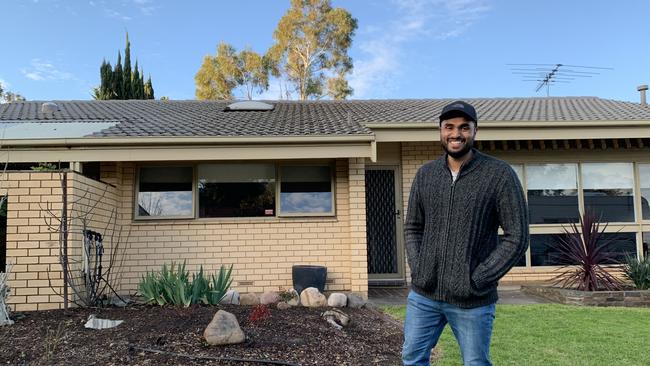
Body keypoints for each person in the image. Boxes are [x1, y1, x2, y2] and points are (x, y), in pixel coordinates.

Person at [402, 100, 529, 366]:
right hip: (424, 295)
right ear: (440, 130)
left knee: (475, 363)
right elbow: (413, 226)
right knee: (412, 359)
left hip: (473, 300)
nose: (456, 134)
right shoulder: (425, 174)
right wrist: (419, 267)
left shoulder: (499, 175)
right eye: (449, 127)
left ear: (475, 131)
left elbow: (517, 237)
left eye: (464, 127)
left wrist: (478, 278)